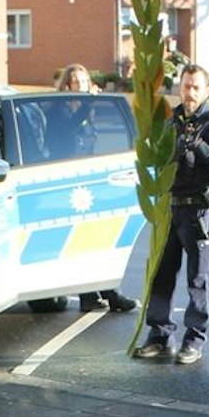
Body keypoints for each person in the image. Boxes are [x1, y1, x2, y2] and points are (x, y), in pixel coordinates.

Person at [136, 64, 209, 364]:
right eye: (185, 86)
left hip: (199, 214)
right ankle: (159, 335)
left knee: (198, 280)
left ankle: (193, 340)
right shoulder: (170, 121)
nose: (189, 92)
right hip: (170, 210)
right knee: (161, 276)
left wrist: (201, 148)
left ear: (207, 91)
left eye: (195, 87)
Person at [51, 64, 139, 312]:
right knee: (82, 241)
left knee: (97, 239)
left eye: (84, 81)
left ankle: (102, 293)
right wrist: (90, 103)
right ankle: (97, 295)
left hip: (88, 179)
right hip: (70, 182)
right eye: (76, 82)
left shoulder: (84, 110)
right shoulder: (59, 110)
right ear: (67, 86)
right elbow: (67, 133)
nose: (80, 86)